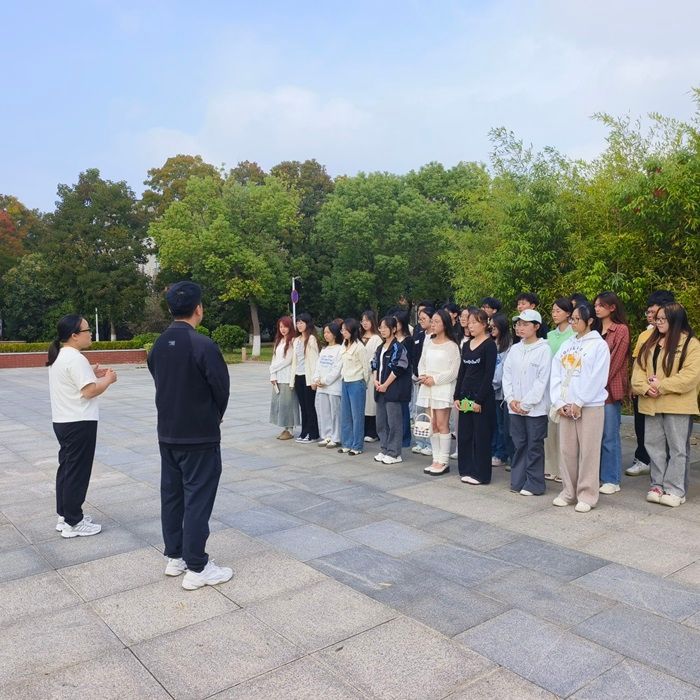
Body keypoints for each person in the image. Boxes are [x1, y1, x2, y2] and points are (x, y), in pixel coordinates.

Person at [148, 281, 232, 589]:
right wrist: (214, 416)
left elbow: (159, 378)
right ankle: (197, 566)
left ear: (171, 308)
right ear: (199, 309)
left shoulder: (158, 345)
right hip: (198, 435)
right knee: (197, 498)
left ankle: (176, 556)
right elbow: (221, 388)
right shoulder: (202, 345)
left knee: (172, 495)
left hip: (168, 433)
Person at [48, 315, 117, 538]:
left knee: (67, 469)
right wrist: (108, 379)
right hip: (79, 422)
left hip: (63, 420)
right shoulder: (75, 359)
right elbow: (89, 391)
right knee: (77, 472)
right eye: (87, 330)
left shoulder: (61, 355)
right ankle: (73, 522)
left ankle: (65, 515)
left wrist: (91, 374)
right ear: (74, 335)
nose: (90, 334)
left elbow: (75, 382)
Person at [631, 302, 700, 507]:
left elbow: (690, 376)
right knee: (654, 446)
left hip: (677, 405)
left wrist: (661, 386)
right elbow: (637, 371)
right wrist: (645, 388)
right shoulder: (649, 341)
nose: (658, 322)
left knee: (678, 449)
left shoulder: (691, 344)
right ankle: (657, 485)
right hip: (651, 403)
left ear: (676, 320)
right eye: (657, 319)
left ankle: (675, 489)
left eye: (663, 319)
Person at [550, 303, 610, 513]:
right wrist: (559, 402)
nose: (573, 323)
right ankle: (568, 491)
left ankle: (587, 494)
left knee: (589, 451)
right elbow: (556, 373)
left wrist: (580, 401)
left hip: (589, 406)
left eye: (577, 319)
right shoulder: (567, 344)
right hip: (566, 405)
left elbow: (598, 378)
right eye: (572, 319)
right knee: (567, 451)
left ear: (590, 321)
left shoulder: (599, 345)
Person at [503, 310, 551, 495]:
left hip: (535, 408)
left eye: (525, 324)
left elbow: (542, 381)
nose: (520, 328)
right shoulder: (515, 349)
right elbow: (507, 375)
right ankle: (518, 481)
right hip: (514, 406)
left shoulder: (544, 349)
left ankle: (534, 484)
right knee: (519, 443)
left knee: (534, 445)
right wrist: (510, 399)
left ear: (536, 326)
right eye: (518, 324)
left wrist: (526, 404)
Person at [627, 290, 675, 476]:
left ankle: (668, 470)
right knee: (642, 427)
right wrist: (635, 386)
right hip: (644, 390)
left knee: (668, 434)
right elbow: (637, 362)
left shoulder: (681, 337)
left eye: (654, 312)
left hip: (667, 393)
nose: (650, 316)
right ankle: (643, 459)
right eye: (649, 312)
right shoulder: (644, 336)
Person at [453, 309, 497, 485]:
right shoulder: (466, 345)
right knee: (465, 434)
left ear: (484, 324)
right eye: (469, 322)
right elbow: (462, 372)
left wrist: (479, 400)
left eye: (474, 322)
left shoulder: (489, 345)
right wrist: (457, 395)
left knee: (481, 436)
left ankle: (481, 474)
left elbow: (488, 375)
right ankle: (466, 469)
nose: (470, 326)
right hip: (465, 395)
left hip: (481, 398)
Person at [594, 291, 630, 495]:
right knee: (594, 436)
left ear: (612, 307)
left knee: (609, 435)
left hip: (608, 390)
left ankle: (611, 479)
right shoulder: (594, 330)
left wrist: (596, 384)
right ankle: (597, 475)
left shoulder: (621, 330)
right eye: (596, 305)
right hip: (591, 392)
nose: (597, 308)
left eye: (601, 305)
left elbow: (615, 362)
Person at [418, 309, 461, 474]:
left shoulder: (452, 346)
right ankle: (435, 459)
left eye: (437, 321)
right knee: (432, 424)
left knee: (442, 424)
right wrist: (423, 375)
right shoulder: (428, 342)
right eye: (432, 321)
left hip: (443, 388)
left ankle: (443, 461)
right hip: (427, 387)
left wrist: (435, 379)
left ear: (445, 324)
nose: (433, 324)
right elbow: (422, 362)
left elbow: (453, 371)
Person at [372, 316, 411, 464]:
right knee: (381, 422)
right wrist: (375, 380)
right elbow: (374, 364)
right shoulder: (380, 347)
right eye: (380, 327)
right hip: (380, 388)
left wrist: (386, 384)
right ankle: (384, 449)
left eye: (385, 327)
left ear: (393, 329)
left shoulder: (398, 347)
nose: (382, 330)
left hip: (393, 390)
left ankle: (395, 453)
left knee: (394, 422)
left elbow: (398, 368)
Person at [544, 298, 575, 482]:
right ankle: (551, 467)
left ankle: (564, 469)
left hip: (568, 384)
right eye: (553, 310)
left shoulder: (573, 334)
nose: (554, 314)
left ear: (568, 313)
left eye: (558, 311)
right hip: (551, 384)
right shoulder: (549, 335)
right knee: (550, 430)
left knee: (565, 431)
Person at [339, 318, 370, 455]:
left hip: (357, 382)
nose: (343, 332)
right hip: (345, 381)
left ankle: (357, 445)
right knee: (345, 415)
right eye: (342, 330)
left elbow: (366, 368)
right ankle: (347, 443)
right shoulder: (344, 344)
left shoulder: (359, 347)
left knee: (357, 416)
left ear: (352, 330)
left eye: (346, 330)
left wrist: (364, 383)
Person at [312, 321, 344, 448]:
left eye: (328, 332)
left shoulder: (340, 349)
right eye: (324, 332)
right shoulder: (324, 350)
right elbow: (318, 367)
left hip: (333, 388)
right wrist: (316, 379)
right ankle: (327, 435)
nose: (325, 335)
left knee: (335, 413)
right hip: (321, 388)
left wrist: (324, 381)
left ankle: (336, 437)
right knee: (324, 412)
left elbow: (337, 370)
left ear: (335, 334)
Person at [290, 312, 320, 443]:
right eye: (297, 322)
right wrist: (292, 380)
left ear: (308, 324)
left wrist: (314, 379)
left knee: (309, 406)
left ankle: (313, 433)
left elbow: (315, 361)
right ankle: (304, 431)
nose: (299, 325)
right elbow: (294, 361)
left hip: (309, 378)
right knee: (303, 406)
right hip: (298, 376)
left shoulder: (311, 339)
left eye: (301, 322)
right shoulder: (296, 340)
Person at [269, 316, 299, 440]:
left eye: (285, 326)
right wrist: (273, 374)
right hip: (278, 377)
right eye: (281, 327)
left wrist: (273, 368)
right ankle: (285, 428)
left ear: (290, 327)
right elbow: (274, 358)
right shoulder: (279, 340)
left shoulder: (293, 341)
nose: (283, 329)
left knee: (288, 404)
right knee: (280, 404)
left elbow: (288, 360)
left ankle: (290, 429)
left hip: (287, 377)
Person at [490, 313, 514, 469]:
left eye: (494, 326)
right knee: (494, 424)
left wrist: (493, 383)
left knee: (502, 426)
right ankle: (495, 451)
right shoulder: (491, 343)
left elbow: (502, 370)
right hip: (490, 390)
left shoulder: (509, 346)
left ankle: (502, 454)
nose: (491, 328)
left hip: (502, 392)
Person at [411, 306, 435, 456]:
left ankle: (431, 444)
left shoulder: (437, 337)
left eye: (423, 318)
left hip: (431, 380)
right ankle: (420, 441)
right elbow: (416, 357)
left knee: (431, 413)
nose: (420, 321)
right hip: (418, 378)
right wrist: (416, 373)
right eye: (419, 319)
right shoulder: (419, 335)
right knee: (419, 412)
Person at [393, 309, 414, 448]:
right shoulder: (392, 340)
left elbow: (409, 360)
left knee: (403, 407)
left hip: (404, 376)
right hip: (391, 376)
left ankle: (405, 437)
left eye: (397, 322)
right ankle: (395, 435)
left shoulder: (408, 340)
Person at [360, 310, 382, 442]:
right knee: (362, 404)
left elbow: (375, 357)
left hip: (371, 375)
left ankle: (373, 432)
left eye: (367, 320)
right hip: (358, 376)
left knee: (371, 404)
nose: (364, 323)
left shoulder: (376, 338)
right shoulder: (359, 337)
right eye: (363, 320)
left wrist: (366, 369)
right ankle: (363, 430)